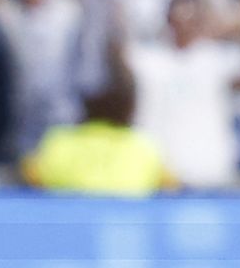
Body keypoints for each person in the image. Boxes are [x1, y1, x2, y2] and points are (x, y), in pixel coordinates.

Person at [22, 76, 175, 197]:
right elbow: (171, 186)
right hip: (124, 232)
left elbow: (29, 176)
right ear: (130, 104)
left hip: (67, 232)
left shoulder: (58, 142)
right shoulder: (143, 147)